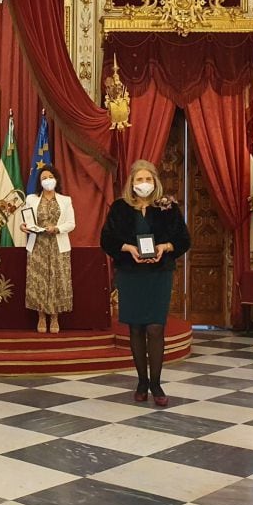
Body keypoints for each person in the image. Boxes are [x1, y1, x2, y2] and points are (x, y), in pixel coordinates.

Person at [101, 160, 190, 407]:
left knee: (155, 327)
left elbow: (184, 239)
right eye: (139, 180)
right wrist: (127, 247)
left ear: (155, 182)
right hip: (130, 274)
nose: (144, 184)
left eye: (148, 179)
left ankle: (156, 383)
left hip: (158, 274)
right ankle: (141, 381)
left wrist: (166, 246)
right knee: (136, 328)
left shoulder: (167, 207)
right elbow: (106, 239)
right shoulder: (119, 208)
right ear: (132, 183)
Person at [21, 166, 75, 334]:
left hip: (58, 246)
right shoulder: (31, 199)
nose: (47, 180)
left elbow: (71, 224)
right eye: (44, 177)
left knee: (58, 281)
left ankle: (55, 317)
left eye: (50, 176)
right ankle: (41, 317)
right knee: (39, 281)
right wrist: (24, 227)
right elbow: (26, 220)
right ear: (39, 182)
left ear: (56, 179)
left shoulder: (65, 200)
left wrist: (57, 228)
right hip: (38, 245)